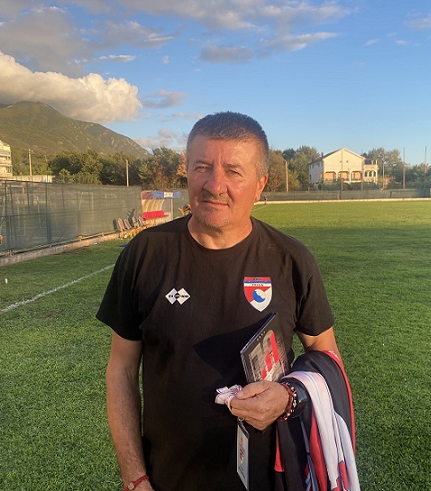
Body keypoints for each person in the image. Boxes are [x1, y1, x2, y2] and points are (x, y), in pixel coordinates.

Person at [97, 112, 341, 491]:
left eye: (233, 171)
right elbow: (121, 371)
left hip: (272, 479)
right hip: (168, 480)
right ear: (187, 172)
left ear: (260, 184)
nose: (214, 185)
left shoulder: (292, 260)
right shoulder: (145, 254)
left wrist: (286, 396)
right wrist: (135, 477)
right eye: (202, 167)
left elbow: (326, 356)